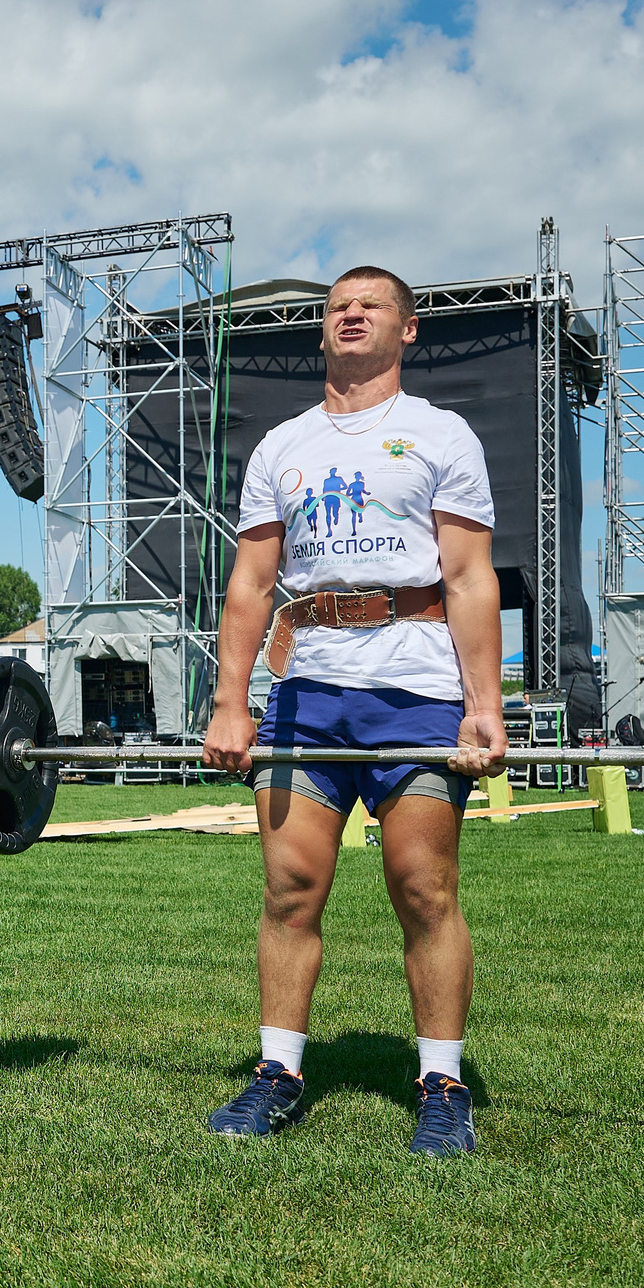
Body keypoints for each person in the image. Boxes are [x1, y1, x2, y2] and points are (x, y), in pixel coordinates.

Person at [199, 266, 505, 1159]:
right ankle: (279, 1073)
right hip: (310, 692)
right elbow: (252, 583)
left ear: (406, 330)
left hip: (415, 687)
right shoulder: (281, 447)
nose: (351, 314)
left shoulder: (441, 434)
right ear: (323, 331)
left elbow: (468, 577)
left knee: (424, 890)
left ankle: (442, 1085)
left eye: (370, 305)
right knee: (291, 890)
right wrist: (232, 704)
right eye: (337, 307)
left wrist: (484, 708)